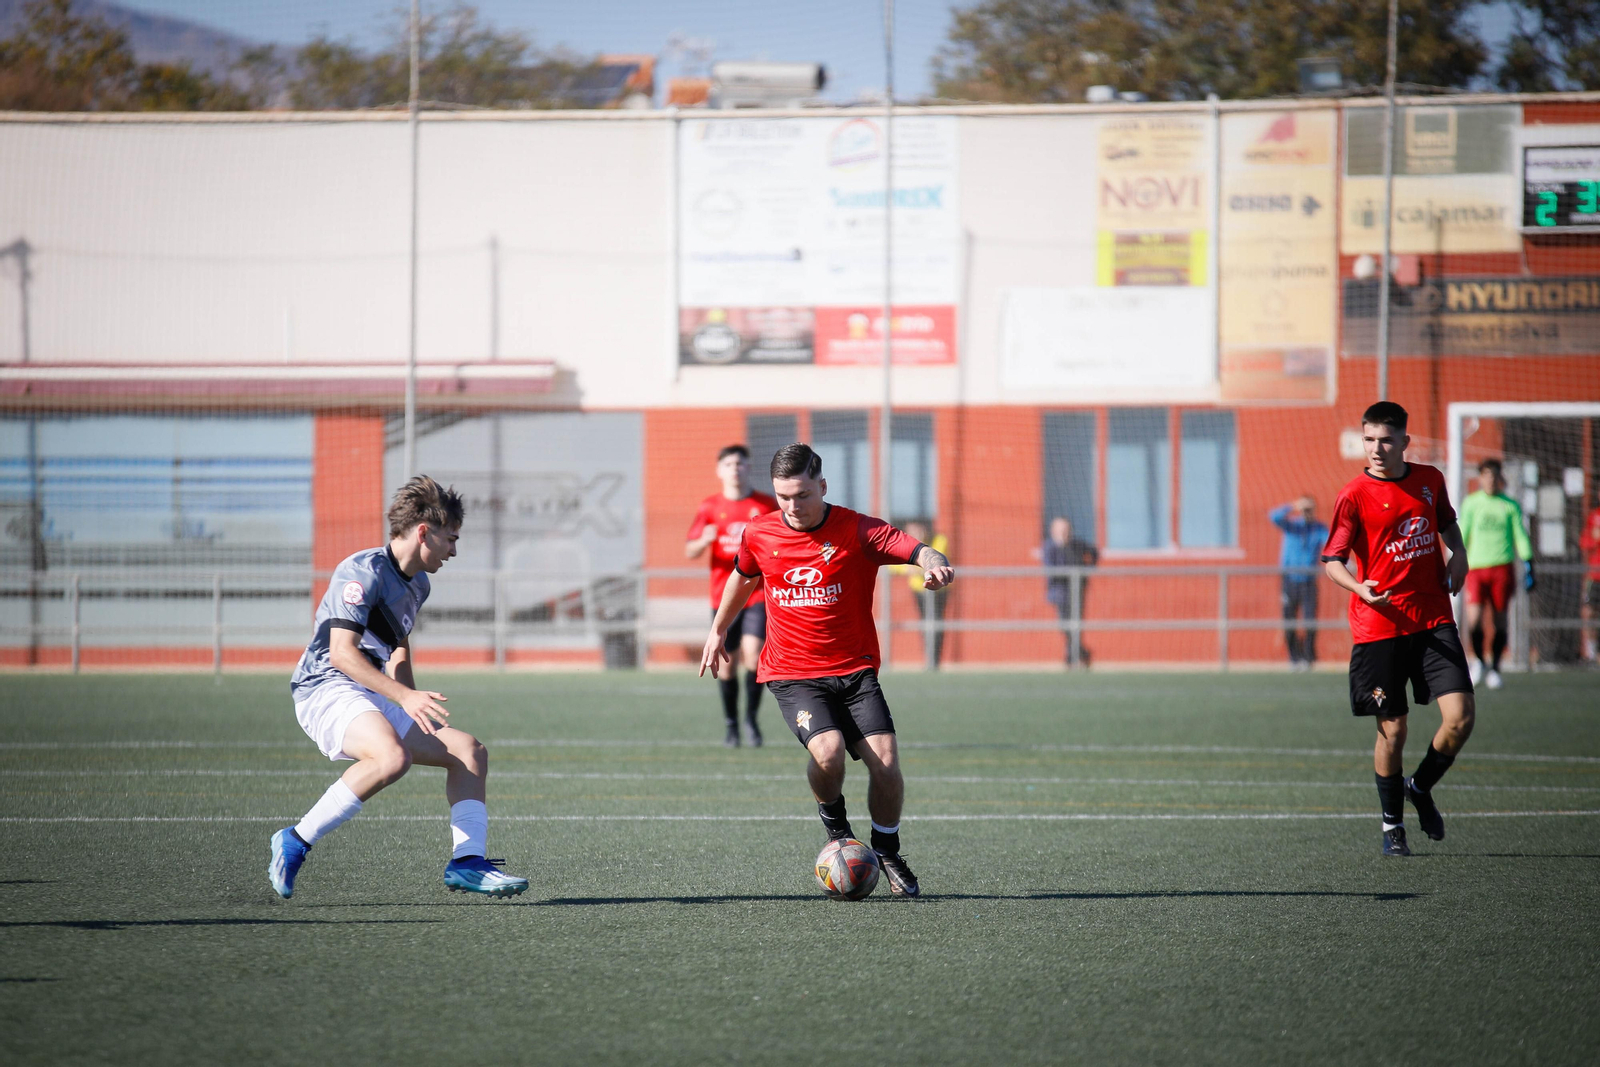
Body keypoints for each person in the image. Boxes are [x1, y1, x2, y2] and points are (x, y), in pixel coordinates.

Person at [699, 444, 953, 897]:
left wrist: (936, 567)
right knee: (829, 752)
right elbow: (742, 574)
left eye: (801, 495)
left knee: (888, 763)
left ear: (822, 486)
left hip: (855, 671)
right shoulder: (760, 532)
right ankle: (837, 833)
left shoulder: (857, 529)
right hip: (793, 673)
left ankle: (887, 849)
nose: (792, 507)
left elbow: (920, 550)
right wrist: (718, 630)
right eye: (783, 497)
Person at [269, 476, 528, 899]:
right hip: (326, 685)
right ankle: (294, 841)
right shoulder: (360, 572)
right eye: (451, 538)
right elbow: (341, 654)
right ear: (424, 532)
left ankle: (467, 863)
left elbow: (397, 644)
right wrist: (402, 696)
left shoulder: (418, 583)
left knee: (468, 752)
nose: (454, 551)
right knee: (392, 757)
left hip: (370, 689)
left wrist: (410, 699)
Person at [1320, 401, 1475, 858]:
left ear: (1405, 441)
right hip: (1379, 626)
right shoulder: (1353, 494)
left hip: (1432, 620)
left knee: (1461, 718)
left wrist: (1459, 555)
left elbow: (1447, 522)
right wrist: (1361, 589)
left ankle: (1420, 787)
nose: (1376, 448)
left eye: (1386, 439)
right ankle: (1392, 827)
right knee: (1394, 730)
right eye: (1369, 439)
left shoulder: (1430, 480)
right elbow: (1332, 561)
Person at [686, 444, 779, 746]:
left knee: (753, 654)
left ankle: (751, 719)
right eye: (728, 464)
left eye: (740, 463)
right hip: (723, 597)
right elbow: (690, 550)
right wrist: (704, 540)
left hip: (758, 594)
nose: (735, 469)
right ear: (719, 470)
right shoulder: (710, 507)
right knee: (727, 664)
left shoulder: (765, 505)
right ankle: (731, 726)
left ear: (749, 467)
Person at [1458, 458, 1535, 689]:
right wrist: (1455, 559)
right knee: (1474, 619)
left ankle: (1496, 668)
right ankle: (1480, 662)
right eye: (1486, 475)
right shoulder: (1471, 503)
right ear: (1480, 477)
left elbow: (1520, 535)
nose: (1490, 480)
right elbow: (1463, 532)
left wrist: (1530, 562)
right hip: (1476, 569)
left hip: (1502, 568)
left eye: (1494, 475)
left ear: (1500, 477)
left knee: (1500, 620)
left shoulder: (1510, 505)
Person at [1270, 496, 1329, 671]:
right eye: (1304, 509)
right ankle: (1294, 658)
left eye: (1310, 509)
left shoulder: (1319, 528)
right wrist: (1292, 506)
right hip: (1289, 581)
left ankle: (1308, 658)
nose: (1307, 512)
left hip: (1309, 581)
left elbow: (1331, 543)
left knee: (1310, 619)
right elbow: (1274, 517)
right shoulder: (1292, 525)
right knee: (1289, 621)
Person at [1041, 516, 1097, 667]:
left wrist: (1086, 570)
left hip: (1077, 592)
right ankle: (1080, 652)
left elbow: (1094, 553)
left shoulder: (1077, 545)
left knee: (1076, 624)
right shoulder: (1049, 547)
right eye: (1061, 530)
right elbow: (1050, 567)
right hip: (1060, 592)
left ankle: (1072, 657)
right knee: (1065, 624)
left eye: (1066, 530)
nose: (1064, 533)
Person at [895, 519, 950, 669]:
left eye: (918, 530)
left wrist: (917, 568)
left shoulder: (938, 540)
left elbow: (937, 561)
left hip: (938, 591)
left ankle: (935, 659)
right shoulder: (906, 543)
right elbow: (893, 565)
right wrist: (907, 569)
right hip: (919, 591)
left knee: (937, 622)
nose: (916, 534)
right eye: (912, 531)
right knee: (925, 623)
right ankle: (929, 657)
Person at [1583, 495, 1600, 663]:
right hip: (1595, 576)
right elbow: (1585, 542)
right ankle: (1592, 651)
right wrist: (1594, 540)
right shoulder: (1594, 516)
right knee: (1590, 612)